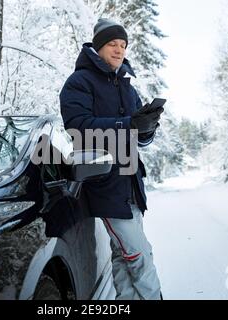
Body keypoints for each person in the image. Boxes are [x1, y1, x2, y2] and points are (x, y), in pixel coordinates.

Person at [59, 18, 163, 300]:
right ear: (98, 47)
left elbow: (138, 137)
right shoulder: (79, 82)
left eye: (123, 45)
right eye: (113, 44)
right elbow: (78, 126)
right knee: (140, 254)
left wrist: (147, 127)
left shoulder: (127, 87)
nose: (119, 50)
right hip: (104, 182)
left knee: (122, 256)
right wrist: (127, 124)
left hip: (131, 183)